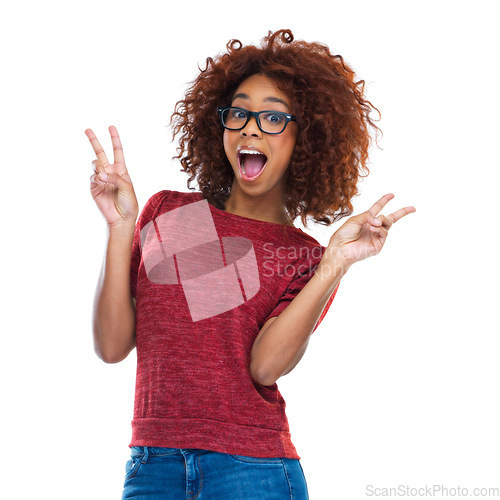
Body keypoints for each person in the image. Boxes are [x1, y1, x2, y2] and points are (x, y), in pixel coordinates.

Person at [87, 29, 415, 500]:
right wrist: (120, 229)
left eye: (274, 118)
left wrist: (336, 262)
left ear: (305, 139)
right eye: (239, 112)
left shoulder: (306, 257)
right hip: (151, 465)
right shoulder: (168, 213)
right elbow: (112, 346)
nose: (251, 127)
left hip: (252, 471)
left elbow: (264, 367)